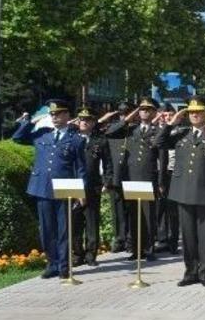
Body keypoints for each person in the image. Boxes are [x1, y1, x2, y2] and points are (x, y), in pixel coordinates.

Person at [154, 96, 205, 288]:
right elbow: (159, 142)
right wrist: (171, 123)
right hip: (183, 192)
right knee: (187, 236)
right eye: (191, 112)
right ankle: (190, 272)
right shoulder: (180, 133)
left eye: (198, 112)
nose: (194, 115)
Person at [12, 100, 87, 279]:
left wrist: (80, 192)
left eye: (59, 114)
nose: (55, 117)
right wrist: (29, 121)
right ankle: (52, 264)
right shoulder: (42, 135)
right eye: (52, 114)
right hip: (42, 188)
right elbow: (17, 138)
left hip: (64, 189)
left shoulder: (75, 139)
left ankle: (64, 267)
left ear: (68, 116)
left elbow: (80, 167)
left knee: (63, 230)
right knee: (47, 230)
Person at [105, 97, 163, 261]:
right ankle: (137, 249)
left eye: (147, 109)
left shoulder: (158, 131)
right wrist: (131, 116)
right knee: (134, 215)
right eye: (141, 109)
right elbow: (110, 132)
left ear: (153, 113)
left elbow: (162, 159)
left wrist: (160, 182)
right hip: (131, 177)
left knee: (148, 215)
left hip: (148, 177)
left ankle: (149, 248)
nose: (144, 111)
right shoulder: (130, 129)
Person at [71, 106, 112, 267]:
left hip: (93, 185)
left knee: (92, 221)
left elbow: (108, 163)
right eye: (81, 119)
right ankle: (77, 254)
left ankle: (90, 255)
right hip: (74, 186)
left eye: (87, 120)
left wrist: (107, 182)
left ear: (94, 122)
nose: (84, 122)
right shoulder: (72, 138)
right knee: (75, 222)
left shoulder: (100, 140)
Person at [99, 101, 132, 253]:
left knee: (133, 210)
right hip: (117, 177)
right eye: (121, 113)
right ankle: (120, 239)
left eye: (126, 112)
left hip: (132, 176)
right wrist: (109, 118)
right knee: (117, 211)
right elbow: (102, 129)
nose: (124, 115)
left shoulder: (136, 129)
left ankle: (132, 239)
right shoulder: (112, 128)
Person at [155, 103, 179, 255]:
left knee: (173, 210)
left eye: (170, 115)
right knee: (160, 209)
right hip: (158, 175)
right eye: (164, 115)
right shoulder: (157, 132)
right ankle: (162, 239)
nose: (167, 118)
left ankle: (173, 241)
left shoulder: (180, 132)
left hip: (174, 174)